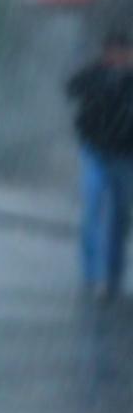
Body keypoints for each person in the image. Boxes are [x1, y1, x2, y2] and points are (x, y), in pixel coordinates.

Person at [66, 26, 133, 302]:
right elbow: (72, 87)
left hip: (125, 155)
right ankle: (92, 276)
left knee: (119, 216)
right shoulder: (95, 75)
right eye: (113, 52)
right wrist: (99, 75)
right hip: (95, 151)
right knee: (92, 208)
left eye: (123, 52)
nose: (118, 57)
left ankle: (114, 277)